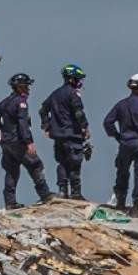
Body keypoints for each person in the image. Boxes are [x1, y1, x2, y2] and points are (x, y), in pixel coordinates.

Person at [0, 73, 53, 209]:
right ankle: (45, 195)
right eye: (27, 86)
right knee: (35, 165)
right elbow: (23, 124)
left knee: (11, 171)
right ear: (20, 87)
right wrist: (29, 142)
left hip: (6, 143)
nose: (29, 89)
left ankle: (10, 203)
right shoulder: (21, 103)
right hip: (18, 142)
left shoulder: (6, 101)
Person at [103, 74, 138, 217]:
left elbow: (108, 122)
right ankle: (137, 208)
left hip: (125, 145)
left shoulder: (121, 105)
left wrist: (117, 136)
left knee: (122, 173)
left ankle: (120, 204)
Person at [40, 64, 91, 200]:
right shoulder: (72, 94)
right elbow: (79, 113)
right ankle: (75, 193)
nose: (80, 82)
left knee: (62, 163)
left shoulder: (55, 94)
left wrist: (46, 127)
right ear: (71, 79)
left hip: (58, 137)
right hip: (72, 135)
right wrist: (85, 128)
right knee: (75, 164)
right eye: (77, 79)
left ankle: (62, 191)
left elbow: (43, 110)